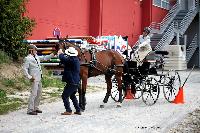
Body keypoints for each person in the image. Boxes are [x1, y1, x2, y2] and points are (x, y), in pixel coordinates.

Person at [23, 44, 54, 115]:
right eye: (35, 50)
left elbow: (45, 58)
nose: (36, 51)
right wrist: (29, 77)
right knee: (33, 94)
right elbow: (24, 69)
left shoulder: (36, 56)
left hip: (39, 77)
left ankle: (35, 108)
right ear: (31, 50)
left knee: (39, 93)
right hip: (34, 79)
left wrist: (52, 54)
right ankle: (30, 110)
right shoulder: (27, 58)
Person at [57, 47, 81, 115]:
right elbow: (65, 61)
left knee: (64, 95)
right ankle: (78, 110)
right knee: (72, 95)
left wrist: (60, 53)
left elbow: (63, 58)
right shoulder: (75, 59)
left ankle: (68, 110)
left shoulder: (71, 60)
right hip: (75, 81)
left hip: (72, 81)